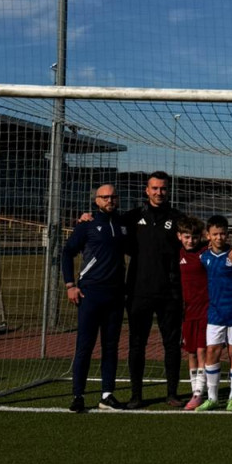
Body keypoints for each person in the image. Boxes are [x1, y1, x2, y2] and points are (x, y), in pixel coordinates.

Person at [62, 184, 127, 412]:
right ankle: (78, 395)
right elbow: (67, 252)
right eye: (104, 197)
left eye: (113, 196)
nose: (109, 200)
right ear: (96, 200)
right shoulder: (87, 225)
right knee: (85, 346)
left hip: (115, 295)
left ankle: (107, 395)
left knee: (110, 347)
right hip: (90, 293)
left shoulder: (123, 224)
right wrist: (70, 285)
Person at [123, 171, 185, 408]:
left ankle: (172, 394)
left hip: (170, 293)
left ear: (168, 191)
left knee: (172, 344)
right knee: (137, 344)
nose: (159, 192)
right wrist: (88, 217)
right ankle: (135, 395)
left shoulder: (178, 218)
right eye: (155, 188)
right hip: (139, 291)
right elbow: (107, 223)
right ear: (147, 190)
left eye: (163, 188)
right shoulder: (133, 217)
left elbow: (200, 238)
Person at [196, 215, 232, 412]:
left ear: (228, 234)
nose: (219, 237)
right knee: (212, 352)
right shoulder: (204, 257)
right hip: (215, 313)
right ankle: (213, 397)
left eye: (223, 233)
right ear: (208, 235)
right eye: (215, 234)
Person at [177, 216, 208, 411]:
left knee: (202, 350)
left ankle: (199, 392)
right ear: (179, 236)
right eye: (186, 237)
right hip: (187, 311)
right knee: (191, 352)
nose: (190, 241)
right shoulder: (177, 252)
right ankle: (194, 389)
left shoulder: (205, 252)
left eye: (194, 237)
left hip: (206, 308)